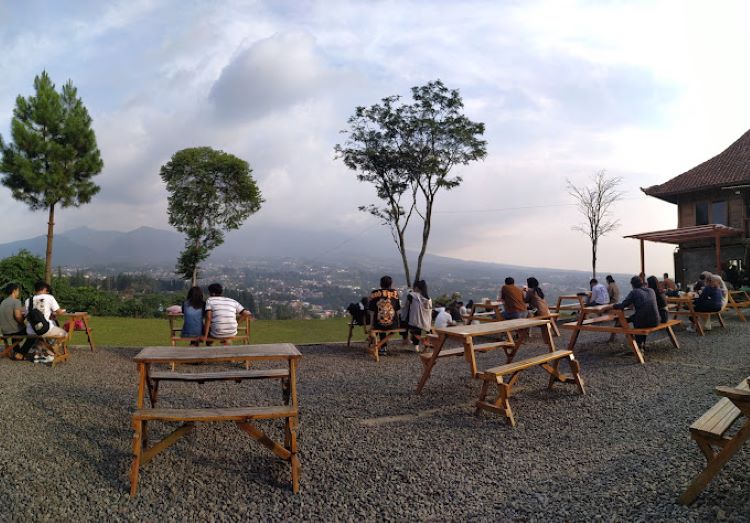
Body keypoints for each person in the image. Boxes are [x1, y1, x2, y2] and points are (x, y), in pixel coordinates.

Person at [25, 280, 67, 363]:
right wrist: (62, 311)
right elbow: (59, 312)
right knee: (64, 334)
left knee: (40, 337)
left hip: (31, 330)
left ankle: (37, 355)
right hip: (44, 329)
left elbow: (28, 316)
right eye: (47, 290)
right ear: (44, 289)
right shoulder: (49, 297)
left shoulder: (28, 300)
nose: (47, 292)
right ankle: (50, 354)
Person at [613, 276, 659, 348]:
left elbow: (623, 305)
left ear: (632, 285)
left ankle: (639, 345)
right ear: (642, 283)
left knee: (638, 319)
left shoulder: (634, 292)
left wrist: (613, 306)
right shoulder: (651, 290)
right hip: (656, 321)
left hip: (644, 322)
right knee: (638, 316)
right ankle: (642, 343)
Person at [368, 276, 401, 354]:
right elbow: (397, 309)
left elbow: (372, 312)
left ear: (380, 284)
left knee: (380, 323)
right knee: (383, 323)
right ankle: (382, 347)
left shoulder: (374, 293)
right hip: (393, 324)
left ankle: (379, 345)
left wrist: (371, 325)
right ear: (391, 284)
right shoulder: (395, 293)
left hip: (378, 324)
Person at [0, 283, 32, 360]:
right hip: (14, 331)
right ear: (14, 291)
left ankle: (17, 351)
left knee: (19, 329)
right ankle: (21, 353)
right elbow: (17, 316)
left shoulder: (3, 302)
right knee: (33, 331)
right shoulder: (16, 301)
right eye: (18, 291)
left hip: (4, 331)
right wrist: (23, 323)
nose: (19, 292)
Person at [406, 280, 432, 349]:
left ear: (417, 287)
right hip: (427, 324)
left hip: (415, 323)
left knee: (407, 324)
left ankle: (414, 343)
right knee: (418, 328)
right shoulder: (428, 299)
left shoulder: (412, 296)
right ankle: (418, 344)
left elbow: (406, 306)